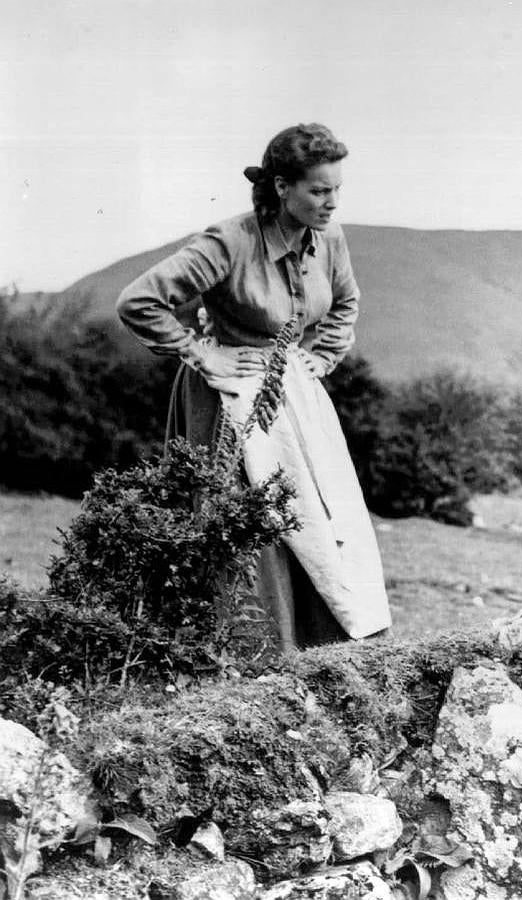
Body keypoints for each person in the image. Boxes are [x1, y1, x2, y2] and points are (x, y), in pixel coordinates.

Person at [117, 122, 391, 650]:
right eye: (319, 190)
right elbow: (138, 301)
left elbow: (346, 302)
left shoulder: (329, 239)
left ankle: (319, 650)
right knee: (250, 525)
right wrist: (202, 353)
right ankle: (250, 654)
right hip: (229, 401)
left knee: (314, 517)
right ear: (282, 187)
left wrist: (322, 355)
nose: (332, 202)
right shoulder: (227, 243)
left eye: (337, 190)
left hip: (297, 402)